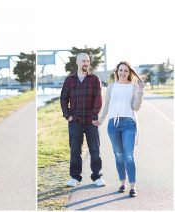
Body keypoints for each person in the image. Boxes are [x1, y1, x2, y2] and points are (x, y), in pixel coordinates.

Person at [94, 61, 145, 197]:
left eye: (126, 71)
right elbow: (107, 106)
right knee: (118, 155)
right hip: (113, 125)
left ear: (129, 73)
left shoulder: (134, 87)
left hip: (129, 124)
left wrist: (140, 93)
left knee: (129, 155)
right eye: (121, 70)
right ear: (117, 71)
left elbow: (136, 107)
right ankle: (122, 183)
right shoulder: (111, 86)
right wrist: (101, 120)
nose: (123, 73)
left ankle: (132, 186)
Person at [60, 53, 106, 187]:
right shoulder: (69, 80)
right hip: (75, 121)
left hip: (91, 121)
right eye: (83, 61)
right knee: (75, 150)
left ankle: (97, 176)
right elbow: (63, 98)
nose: (86, 63)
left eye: (87, 61)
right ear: (77, 62)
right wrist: (67, 115)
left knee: (95, 150)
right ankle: (75, 177)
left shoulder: (94, 79)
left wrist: (94, 116)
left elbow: (98, 99)